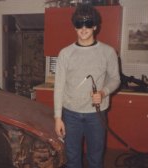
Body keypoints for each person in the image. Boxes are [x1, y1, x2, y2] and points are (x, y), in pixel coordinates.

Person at [53, 4, 121, 168]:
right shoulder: (65, 53)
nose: (83, 29)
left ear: (95, 26)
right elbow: (59, 87)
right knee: (72, 159)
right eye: (79, 24)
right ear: (74, 26)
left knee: (95, 159)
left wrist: (103, 92)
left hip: (96, 117)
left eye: (88, 24)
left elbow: (115, 79)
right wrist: (57, 118)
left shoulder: (108, 52)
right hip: (71, 115)